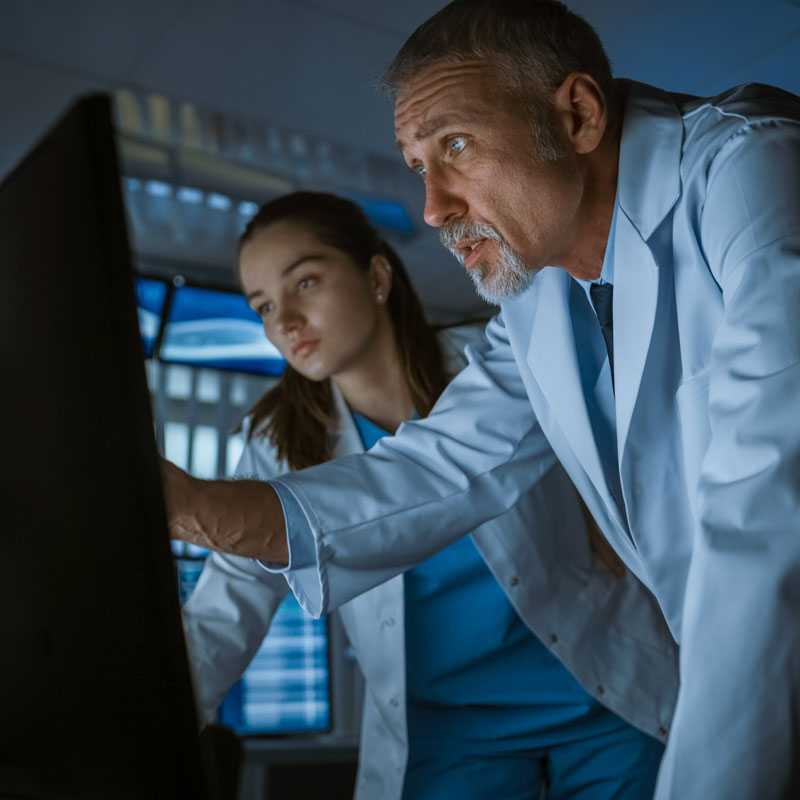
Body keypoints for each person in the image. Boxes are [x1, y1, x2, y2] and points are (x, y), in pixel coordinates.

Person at [163, 1, 800, 797]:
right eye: (419, 166)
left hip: (666, 693)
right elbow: (440, 470)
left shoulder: (753, 172)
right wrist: (185, 505)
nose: (432, 209)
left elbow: (770, 501)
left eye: (456, 146)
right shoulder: (537, 305)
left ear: (577, 115)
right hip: (506, 724)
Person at [181, 191, 674, 800]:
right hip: (448, 735)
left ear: (377, 275)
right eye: (262, 306)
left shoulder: (493, 361)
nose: (283, 321)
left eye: (304, 282)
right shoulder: (275, 443)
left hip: (599, 693)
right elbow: (224, 609)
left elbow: (630, 460)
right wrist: (138, 741)